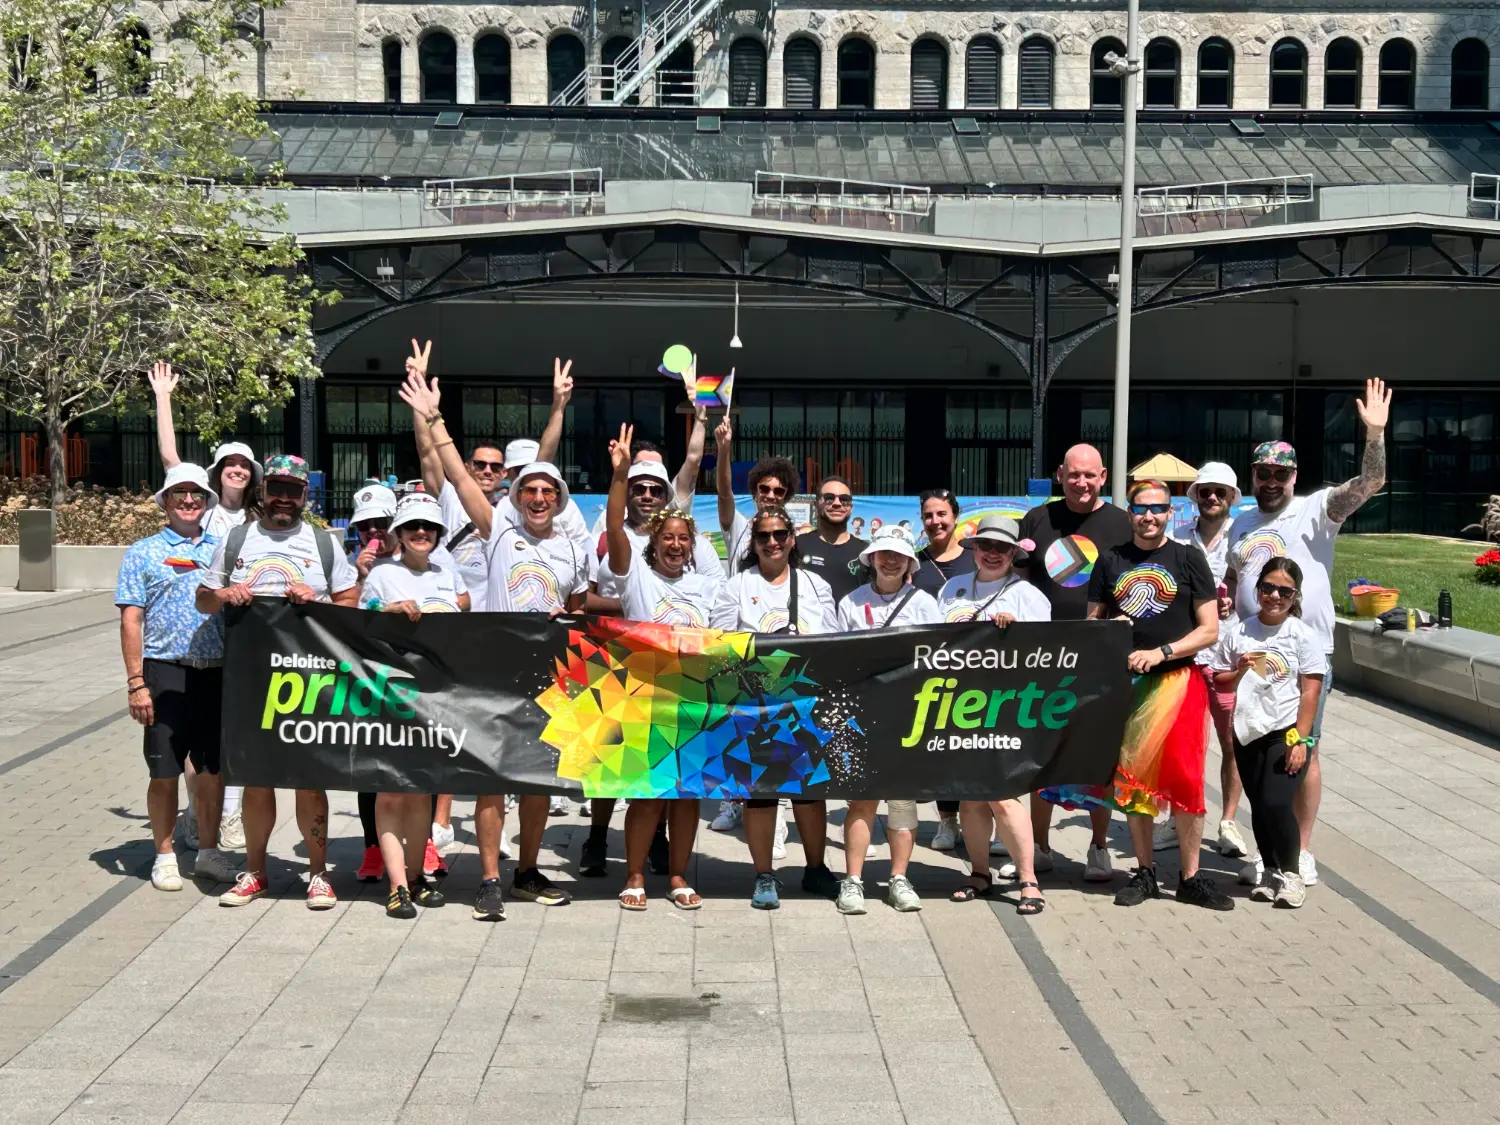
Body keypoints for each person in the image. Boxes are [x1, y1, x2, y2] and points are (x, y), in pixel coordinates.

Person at [400, 358, 591, 920]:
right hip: (494, 672)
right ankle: (487, 878)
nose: (537, 497)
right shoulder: (499, 528)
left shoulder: (573, 548)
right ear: (516, 495)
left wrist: (566, 616)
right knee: (490, 780)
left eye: (546, 491)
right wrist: (434, 420)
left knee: (538, 783)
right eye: (528, 488)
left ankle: (527, 871)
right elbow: (459, 475)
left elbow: (577, 610)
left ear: (557, 500)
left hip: (549, 676)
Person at [1225, 378, 1390, 890]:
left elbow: (1371, 483)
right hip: (1253, 655)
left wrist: (1375, 436)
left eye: (1280, 473)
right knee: (1253, 752)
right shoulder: (1241, 523)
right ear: (1252, 476)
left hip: (1305, 657)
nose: (1271, 481)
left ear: (1294, 476)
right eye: (1263, 473)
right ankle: (1273, 850)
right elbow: (1236, 577)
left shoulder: (1317, 510)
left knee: (1304, 751)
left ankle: (1304, 849)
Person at [1043, 479, 1231, 911]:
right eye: (1141, 509)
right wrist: (1112, 629)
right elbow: (1094, 625)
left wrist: (1161, 652)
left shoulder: (1188, 557)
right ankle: (1144, 873)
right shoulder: (1110, 561)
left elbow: (1208, 629)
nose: (1149, 516)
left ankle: (1190, 876)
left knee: (1185, 781)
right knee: (1134, 782)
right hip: (1126, 687)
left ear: (1170, 513)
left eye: (1158, 508)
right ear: (1130, 513)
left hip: (1179, 682)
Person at [198, 455, 361, 908]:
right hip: (250, 681)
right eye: (277, 489)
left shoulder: (324, 543)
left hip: (308, 680)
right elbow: (203, 600)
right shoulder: (236, 540)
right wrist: (224, 593)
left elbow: (351, 600)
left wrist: (320, 599)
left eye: (294, 490)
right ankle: (255, 871)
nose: (284, 499)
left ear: (305, 495)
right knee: (256, 778)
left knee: (310, 779)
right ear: (263, 491)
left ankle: (317, 874)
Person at [584, 455, 720, 876]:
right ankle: (635, 876)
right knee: (645, 795)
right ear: (654, 544)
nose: (675, 545)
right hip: (644, 703)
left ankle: (678, 876)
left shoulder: (708, 587)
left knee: (686, 797)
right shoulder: (637, 577)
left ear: (691, 546)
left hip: (692, 706)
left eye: (683, 539)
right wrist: (620, 475)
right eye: (667, 539)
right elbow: (613, 532)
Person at [149, 361, 257, 852]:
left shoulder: (260, 516)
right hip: (197, 637)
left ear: (252, 474)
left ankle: (225, 814)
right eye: (229, 462)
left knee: (228, 732)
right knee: (195, 740)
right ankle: (198, 814)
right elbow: (172, 458)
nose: (237, 469)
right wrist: (163, 397)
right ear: (219, 471)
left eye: (244, 464)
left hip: (240, 635)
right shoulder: (203, 507)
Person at [116, 464, 239, 891]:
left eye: (197, 495)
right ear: (165, 501)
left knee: (210, 771)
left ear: (207, 503)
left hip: (216, 672)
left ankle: (208, 852)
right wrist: (136, 682)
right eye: (179, 494)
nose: (189, 502)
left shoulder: (224, 549)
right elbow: (131, 620)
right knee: (164, 770)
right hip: (165, 670)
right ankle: (165, 854)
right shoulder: (142, 552)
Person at [711, 507, 840, 909]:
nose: (772, 542)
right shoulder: (736, 586)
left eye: (780, 534)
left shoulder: (815, 585)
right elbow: (719, 647)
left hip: (804, 704)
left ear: (792, 538)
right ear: (753, 542)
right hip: (755, 707)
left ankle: (816, 869)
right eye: (764, 535)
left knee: (809, 791)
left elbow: (835, 641)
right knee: (760, 795)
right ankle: (763, 875)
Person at [1018, 444, 1134, 881]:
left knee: (1099, 753)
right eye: (1073, 475)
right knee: (1040, 753)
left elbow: (1131, 581)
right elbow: (1020, 581)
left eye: (1089, 475)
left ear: (1103, 476)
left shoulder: (1122, 523)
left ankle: (1099, 847)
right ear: (1059, 475)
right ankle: (1040, 846)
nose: (1081, 483)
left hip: (1101, 657)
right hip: (1044, 657)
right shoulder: (1038, 519)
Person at [358, 491, 467, 918]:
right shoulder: (383, 574)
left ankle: (419, 876)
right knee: (389, 792)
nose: (421, 533)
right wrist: (386, 610)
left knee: (422, 789)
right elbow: (359, 623)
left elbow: (465, 606)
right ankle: (398, 885)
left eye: (429, 528)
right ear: (399, 534)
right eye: (412, 528)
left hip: (437, 693)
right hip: (391, 694)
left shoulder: (449, 569)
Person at [935, 515, 1049, 915]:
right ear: (973, 550)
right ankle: (980, 873)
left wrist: (1016, 634)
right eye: (987, 546)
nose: (994, 553)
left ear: (1015, 554)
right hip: (956, 704)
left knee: (1002, 796)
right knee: (969, 796)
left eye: (1003, 548)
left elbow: (1047, 656)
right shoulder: (951, 590)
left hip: (1006, 706)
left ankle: (1028, 880)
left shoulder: (1028, 596)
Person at [834, 525, 938, 914]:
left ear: (910, 562)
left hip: (909, 714)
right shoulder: (850, 603)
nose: (891, 560)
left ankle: (899, 877)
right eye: (884, 553)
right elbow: (837, 659)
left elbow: (939, 657)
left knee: (903, 802)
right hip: (862, 715)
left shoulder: (925, 603)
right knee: (862, 801)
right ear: (872, 559)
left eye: (899, 555)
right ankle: (853, 880)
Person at [1210, 558, 1324, 909]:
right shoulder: (1241, 631)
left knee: (1277, 802)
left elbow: (1310, 692)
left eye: (1284, 591)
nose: (1274, 596)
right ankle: (1271, 871)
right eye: (1267, 588)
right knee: (1259, 805)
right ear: (1258, 590)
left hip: (1284, 731)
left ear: (1295, 596)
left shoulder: (1301, 635)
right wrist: (1240, 670)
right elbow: (1219, 678)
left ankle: (1292, 875)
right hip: (1247, 731)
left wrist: (1301, 740)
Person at [1155, 463, 1248, 860]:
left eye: (1220, 492)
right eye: (1205, 491)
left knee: (1233, 742)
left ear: (1231, 498)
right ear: (1195, 496)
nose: (1212, 498)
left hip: (1230, 654)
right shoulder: (1175, 538)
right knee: (1178, 746)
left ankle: (1228, 821)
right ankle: (1175, 820)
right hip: (1186, 652)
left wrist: (1236, 597)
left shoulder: (1246, 536)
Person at [911, 489, 976, 849]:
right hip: (933, 671)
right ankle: (948, 822)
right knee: (942, 748)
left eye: (941, 514)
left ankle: (983, 821)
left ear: (955, 516)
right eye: (928, 516)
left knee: (976, 748)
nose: (935, 522)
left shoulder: (976, 557)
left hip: (979, 670)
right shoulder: (915, 563)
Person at [714, 415, 800, 572]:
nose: (771, 496)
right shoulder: (739, 528)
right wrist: (724, 449)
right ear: (755, 491)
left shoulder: (792, 534)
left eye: (779, 491)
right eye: (765, 489)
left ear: (786, 496)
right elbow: (725, 492)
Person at [797, 475, 867, 604]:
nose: (837, 503)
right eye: (829, 498)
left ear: (851, 507)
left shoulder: (865, 552)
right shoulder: (797, 546)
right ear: (817, 503)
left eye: (844, 499)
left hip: (852, 624)